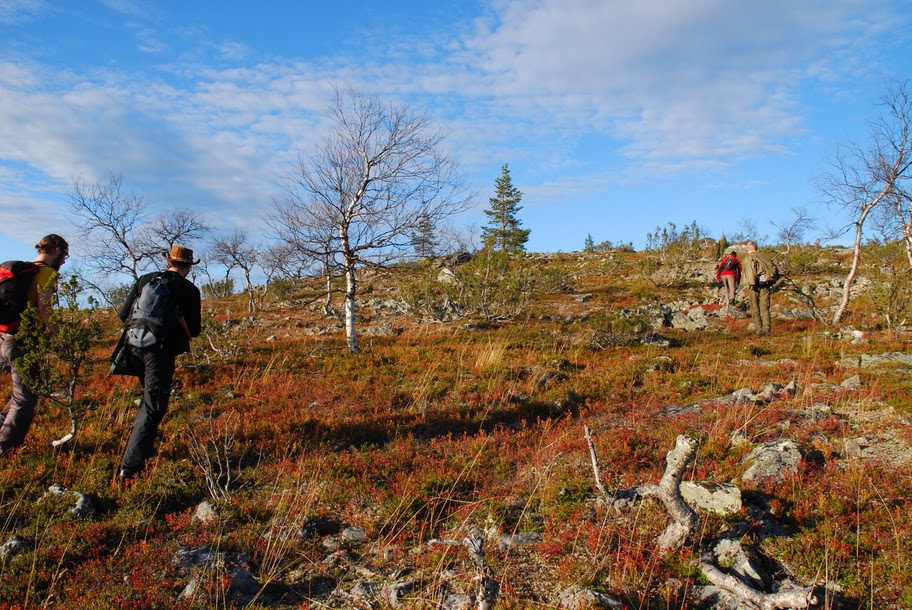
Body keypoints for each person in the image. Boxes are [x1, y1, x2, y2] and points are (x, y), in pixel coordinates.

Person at [117, 245, 201, 480]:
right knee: (153, 407)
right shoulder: (188, 289)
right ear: (188, 266)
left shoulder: (145, 279)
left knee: (148, 402)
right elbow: (195, 330)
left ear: (168, 262)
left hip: (133, 346)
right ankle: (129, 468)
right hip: (159, 353)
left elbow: (123, 315)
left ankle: (144, 448)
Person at [0, 234, 69, 456]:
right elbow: (44, 309)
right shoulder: (46, 274)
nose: (64, 260)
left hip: (5, 337)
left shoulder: (24, 271)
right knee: (26, 398)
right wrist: (60, 337)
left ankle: (2, 427)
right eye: (65, 255)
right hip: (23, 341)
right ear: (56, 250)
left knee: (21, 393)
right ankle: (5, 448)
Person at [741, 240, 777, 336]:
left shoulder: (748, 258)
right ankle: (767, 328)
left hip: (753, 284)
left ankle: (759, 329)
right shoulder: (765, 257)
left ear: (748, 249)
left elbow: (747, 273)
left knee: (754, 307)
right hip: (765, 283)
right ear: (756, 248)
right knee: (765, 306)